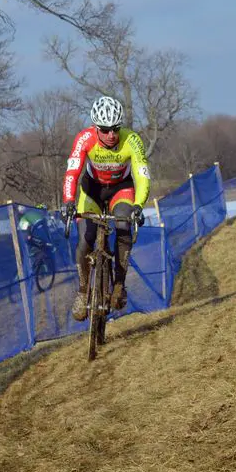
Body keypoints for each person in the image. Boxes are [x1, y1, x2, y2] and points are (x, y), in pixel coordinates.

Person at [60, 96, 150, 321]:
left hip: (121, 188)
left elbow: (142, 175)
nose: (111, 134)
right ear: (96, 127)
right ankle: (82, 292)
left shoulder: (132, 140)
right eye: (106, 129)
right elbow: (72, 172)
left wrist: (138, 206)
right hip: (92, 190)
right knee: (86, 239)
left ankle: (119, 283)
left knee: (123, 223)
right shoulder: (85, 138)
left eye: (115, 129)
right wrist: (69, 202)